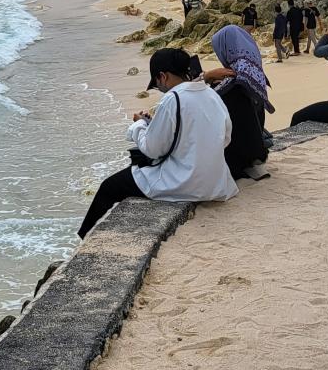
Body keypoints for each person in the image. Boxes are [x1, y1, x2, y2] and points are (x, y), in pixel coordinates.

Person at [77, 48, 237, 238]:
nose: (159, 87)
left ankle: (84, 238)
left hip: (186, 181)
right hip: (216, 181)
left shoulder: (172, 99)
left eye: (156, 83)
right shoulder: (211, 95)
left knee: (109, 187)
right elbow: (225, 138)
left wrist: (138, 126)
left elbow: (153, 149)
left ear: (163, 76)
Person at [203, 26, 273, 178]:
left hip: (237, 162)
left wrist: (206, 78)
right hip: (257, 153)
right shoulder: (254, 75)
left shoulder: (229, 86)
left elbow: (195, 102)